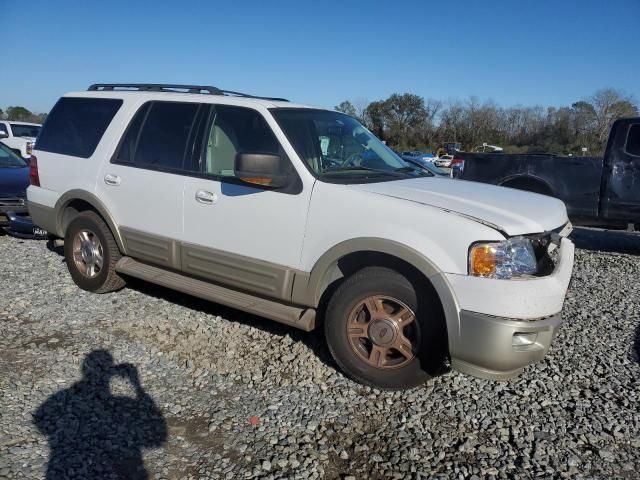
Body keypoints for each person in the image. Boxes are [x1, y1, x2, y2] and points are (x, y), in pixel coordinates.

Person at [33, 350, 167, 479]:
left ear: (85, 370)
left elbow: (40, 420)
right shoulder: (125, 403)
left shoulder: (64, 396)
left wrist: (63, 434)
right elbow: (156, 439)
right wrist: (137, 387)